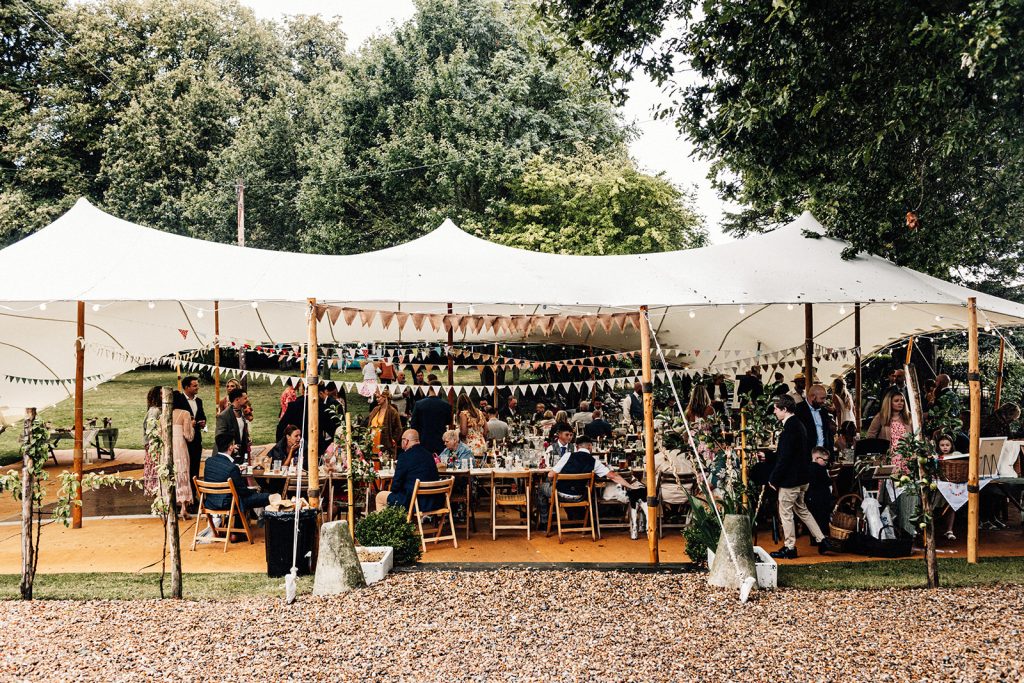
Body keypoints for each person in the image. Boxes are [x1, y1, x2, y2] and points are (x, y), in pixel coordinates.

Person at [769, 394, 835, 559]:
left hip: (790, 480)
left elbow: (784, 458)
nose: (775, 411)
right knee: (802, 509)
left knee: (785, 512)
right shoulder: (799, 425)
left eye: (777, 408)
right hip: (802, 478)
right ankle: (822, 539)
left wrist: (773, 479)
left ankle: (790, 547)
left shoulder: (788, 430)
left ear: (785, 409)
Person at [537, 434, 640, 526]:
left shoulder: (568, 455)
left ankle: (544, 522)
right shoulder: (594, 462)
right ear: (590, 446)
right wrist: (630, 486)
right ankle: (586, 519)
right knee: (592, 490)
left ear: (577, 447)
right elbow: (613, 476)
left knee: (541, 488)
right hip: (580, 497)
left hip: (560, 494)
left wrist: (551, 482)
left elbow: (551, 475)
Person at [203, 433, 271, 515]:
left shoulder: (209, 462)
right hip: (229, 503)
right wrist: (254, 491)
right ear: (230, 447)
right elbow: (242, 491)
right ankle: (264, 520)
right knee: (267, 497)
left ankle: (242, 523)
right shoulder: (232, 468)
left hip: (210, 502)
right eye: (233, 444)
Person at [374, 429, 440, 512]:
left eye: (402, 440)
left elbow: (395, 485)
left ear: (406, 441)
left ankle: (387, 524)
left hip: (414, 502)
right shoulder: (429, 455)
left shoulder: (404, 457)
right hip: (433, 502)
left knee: (380, 496)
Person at [177, 375, 206, 509]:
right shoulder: (178, 400)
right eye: (194, 385)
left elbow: (202, 415)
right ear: (187, 387)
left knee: (194, 467)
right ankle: (183, 497)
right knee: (184, 468)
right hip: (182, 439)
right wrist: (189, 424)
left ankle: (193, 495)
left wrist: (202, 422)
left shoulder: (198, 401)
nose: (197, 387)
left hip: (196, 439)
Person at [410, 382, 452, 456]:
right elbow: (448, 421)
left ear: (428, 389)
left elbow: (413, 425)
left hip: (423, 440)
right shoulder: (446, 405)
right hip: (440, 440)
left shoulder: (419, 404)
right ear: (439, 390)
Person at [171, 393, 195, 518]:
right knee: (183, 473)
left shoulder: (164, 414)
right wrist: (192, 426)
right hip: (180, 446)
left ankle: (171, 506)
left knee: (171, 474)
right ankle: (184, 508)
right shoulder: (185, 413)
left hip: (168, 447)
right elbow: (188, 436)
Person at [795, 384, 835, 459]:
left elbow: (828, 435)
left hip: (823, 457)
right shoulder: (798, 410)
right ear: (813, 397)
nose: (824, 401)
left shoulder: (823, 411)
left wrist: (831, 456)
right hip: (806, 457)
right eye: (822, 398)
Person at [804, 446, 834, 539]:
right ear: (817, 458)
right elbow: (827, 481)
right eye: (824, 460)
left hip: (812, 496)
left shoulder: (809, 467)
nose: (826, 463)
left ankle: (814, 537)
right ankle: (821, 536)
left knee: (814, 517)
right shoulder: (819, 469)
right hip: (821, 497)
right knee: (822, 518)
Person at [216, 387, 251, 463]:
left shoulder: (242, 412)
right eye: (245, 398)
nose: (247, 400)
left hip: (242, 453)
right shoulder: (223, 416)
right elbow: (219, 437)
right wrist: (230, 447)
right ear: (237, 400)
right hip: (230, 456)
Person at [935, 434, 959, 541]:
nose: (945, 447)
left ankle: (949, 529)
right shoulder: (936, 457)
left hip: (953, 485)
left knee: (951, 505)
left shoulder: (956, 455)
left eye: (947, 445)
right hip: (939, 486)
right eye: (942, 445)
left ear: (951, 446)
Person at [368, 389, 403, 457]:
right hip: (373, 443)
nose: (377, 399)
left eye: (378, 397)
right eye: (376, 397)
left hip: (386, 444)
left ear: (385, 397)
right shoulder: (375, 409)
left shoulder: (392, 411)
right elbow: (369, 423)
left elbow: (399, 428)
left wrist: (393, 440)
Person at [142, 386, 162, 495]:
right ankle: (155, 491)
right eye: (161, 394)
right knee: (154, 468)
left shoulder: (158, 410)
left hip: (154, 445)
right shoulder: (155, 411)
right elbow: (151, 429)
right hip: (153, 445)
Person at [457, 394, 487, 458]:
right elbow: (486, 429)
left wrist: (458, 432)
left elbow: (464, 432)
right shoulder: (479, 412)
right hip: (482, 443)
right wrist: (480, 436)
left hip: (470, 444)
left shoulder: (463, 414)